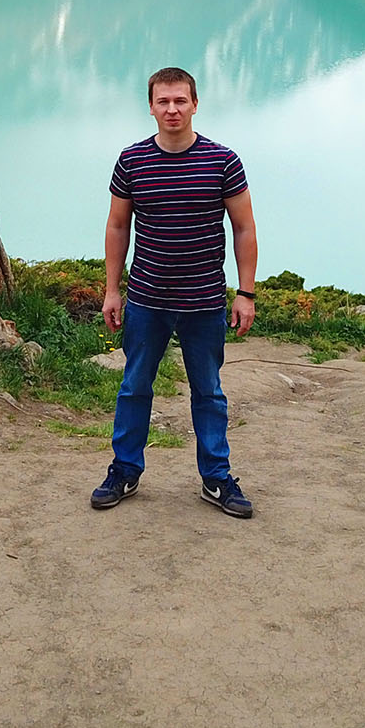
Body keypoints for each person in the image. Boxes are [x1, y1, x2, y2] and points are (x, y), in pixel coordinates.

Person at [91, 65, 257, 518]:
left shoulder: (223, 161)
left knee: (209, 392)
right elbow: (117, 225)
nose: (172, 109)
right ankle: (124, 469)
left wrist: (246, 293)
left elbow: (243, 228)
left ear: (195, 104)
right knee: (134, 387)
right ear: (150, 107)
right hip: (146, 298)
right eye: (163, 101)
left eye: (180, 100)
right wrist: (112, 290)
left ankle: (217, 478)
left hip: (204, 301)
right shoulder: (132, 161)